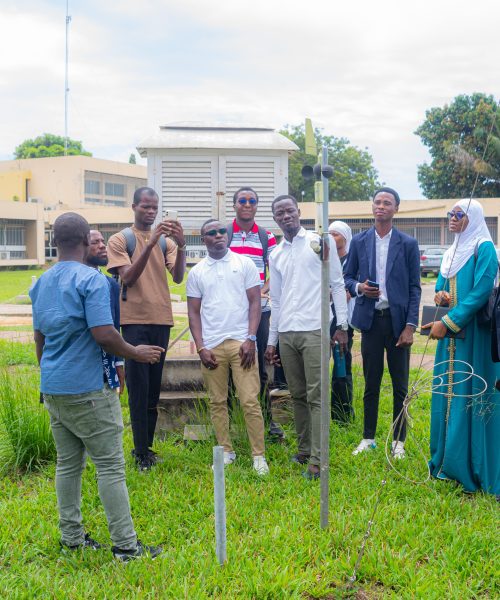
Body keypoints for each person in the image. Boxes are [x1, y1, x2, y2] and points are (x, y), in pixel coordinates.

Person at [30, 212, 164, 561]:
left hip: (55, 387)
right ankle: (126, 546)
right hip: (88, 388)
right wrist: (135, 352)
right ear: (84, 241)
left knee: (67, 465)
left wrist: (46, 378)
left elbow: (39, 338)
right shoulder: (91, 281)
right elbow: (103, 334)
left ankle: (71, 538)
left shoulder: (40, 283)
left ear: (53, 241)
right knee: (110, 466)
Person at [264, 195, 348, 479]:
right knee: (297, 394)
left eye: (289, 211)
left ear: (299, 212)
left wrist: (342, 326)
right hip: (287, 331)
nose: (285, 216)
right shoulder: (274, 254)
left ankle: (318, 458)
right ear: (275, 218)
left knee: (317, 395)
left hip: (314, 328)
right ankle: (303, 450)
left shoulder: (319, 243)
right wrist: (271, 341)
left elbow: (337, 284)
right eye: (279, 213)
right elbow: (275, 301)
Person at [422, 199, 499, 495]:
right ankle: (446, 463)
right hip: (450, 338)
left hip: (474, 338)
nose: (452, 219)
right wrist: (441, 295)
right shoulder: (452, 251)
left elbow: (480, 292)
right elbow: (444, 285)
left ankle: (473, 468)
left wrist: (450, 321)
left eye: (459, 214)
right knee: (447, 394)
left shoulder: (484, 248)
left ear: (473, 217)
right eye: (450, 214)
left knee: (471, 393)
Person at [107, 187, 186, 471]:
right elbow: (126, 277)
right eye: (145, 207)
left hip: (161, 320)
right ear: (134, 207)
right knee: (138, 388)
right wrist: (150, 243)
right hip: (134, 322)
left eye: (155, 208)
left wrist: (182, 245)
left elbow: (177, 278)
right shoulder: (120, 240)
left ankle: (146, 448)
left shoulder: (166, 242)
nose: (151, 212)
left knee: (153, 389)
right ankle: (140, 452)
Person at [187, 219, 269, 475]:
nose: (218, 235)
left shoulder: (243, 263)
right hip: (212, 346)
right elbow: (193, 312)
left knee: (250, 401)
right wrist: (201, 347)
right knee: (217, 402)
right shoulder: (197, 272)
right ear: (204, 240)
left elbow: (255, 302)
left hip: (241, 343)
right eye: (211, 233)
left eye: (222, 231)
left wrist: (251, 338)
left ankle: (259, 457)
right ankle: (226, 451)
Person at [344, 187, 421, 458]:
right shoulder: (359, 241)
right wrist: (361, 288)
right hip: (371, 322)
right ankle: (368, 438)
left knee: (400, 385)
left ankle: (398, 441)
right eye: (377, 202)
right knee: (371, 382)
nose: (381, 206)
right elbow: (347, 278)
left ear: (396, 209)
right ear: (372, 207)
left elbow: (415, 288)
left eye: (387, 203)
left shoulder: (408, 244)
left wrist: (410, 326)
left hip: (398, 323)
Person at [227, 186, 284, 439]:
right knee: (228, 365)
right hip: (229, 313)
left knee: (260, 368)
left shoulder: (266, 237)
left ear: (256, 206)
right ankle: (229, 421)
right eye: (242, 200)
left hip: (259, 311)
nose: (247, 204)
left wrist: (263, 289)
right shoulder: (225, 234)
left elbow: (276, 269)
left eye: (252, 201)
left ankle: (266, 421)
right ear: (235, 205)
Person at [85, 229, 124, 393]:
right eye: (95, 242)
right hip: (84, 367)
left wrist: (119, 364)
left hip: (106, 371)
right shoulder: (76, 282)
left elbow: (115, 327)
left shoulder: (111, 284)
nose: (102, 246)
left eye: (103, 242)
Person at [328, 221, 355, 423]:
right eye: (328, 234)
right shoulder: (323, 259)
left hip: (343, 317)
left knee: (341, 365)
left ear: (345, 237)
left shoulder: (352, 260)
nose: (331, 237)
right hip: (321, 315)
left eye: (335, 234)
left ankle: (342, 413)